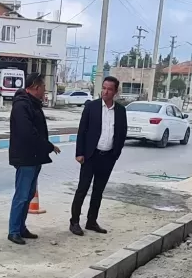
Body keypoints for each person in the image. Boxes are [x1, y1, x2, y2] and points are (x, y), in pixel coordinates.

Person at [70, 75, 127, 235]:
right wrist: (79, 153)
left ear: (115, 92)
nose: (105, 92)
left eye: (109, 89)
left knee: (98, 191)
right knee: (82, 188)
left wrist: (115, 154)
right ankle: (74, 222)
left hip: (107, 157)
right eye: (104, 88)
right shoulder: (91, 107)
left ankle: (91, 221)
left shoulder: (121, 111)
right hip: (90, 155)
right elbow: (82, 131)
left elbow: (122, 134)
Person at [8, 72, 59, 245]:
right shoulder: (22, 105)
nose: (45, 91)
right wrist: (49, 146)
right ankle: (13, 231)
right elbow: (28, 133)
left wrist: (45, 147)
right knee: (22, 195)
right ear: (36, 87)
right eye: (44, 87)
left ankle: (21, 228)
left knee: (29, 194)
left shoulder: (33, 104)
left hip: (35, 156)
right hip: (26, 157)